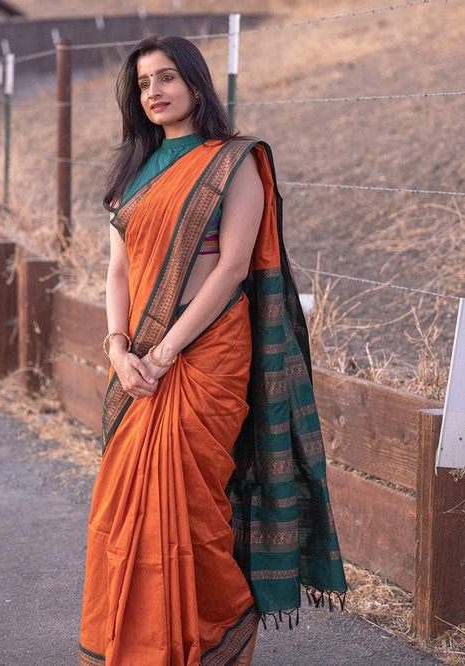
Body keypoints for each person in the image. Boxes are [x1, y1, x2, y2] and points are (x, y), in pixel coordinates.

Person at [78, 35, 347, 666]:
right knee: (126, 507)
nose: (155, 92)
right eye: (143, 84)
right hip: (138, 358)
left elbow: (230, 269)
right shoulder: (133, 171)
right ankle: (140, 645)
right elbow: (118, 271)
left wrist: (166, 352)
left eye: (167, 78)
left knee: (195, 507)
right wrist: (119, 349)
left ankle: (216, 640)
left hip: (206, 354)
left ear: (198, 84)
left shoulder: (235, 161)